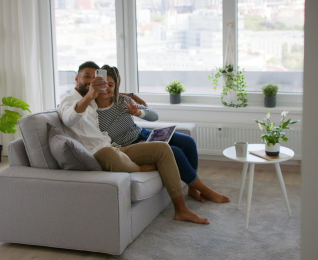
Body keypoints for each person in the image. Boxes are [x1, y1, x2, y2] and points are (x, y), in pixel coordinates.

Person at [57, 61, 210, 224]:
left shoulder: (97, 99)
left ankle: (183, 207)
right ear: (76, 79)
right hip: (111, 148)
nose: (92, 82)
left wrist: (135, 104)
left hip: (121, 144)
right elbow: (69, 119)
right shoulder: (71, 100)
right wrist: (91, 95)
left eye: (96, 79)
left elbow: (114, 95)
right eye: (87, 77)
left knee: (174, 145)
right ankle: (183, 186)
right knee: (175, 152)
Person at [95, 64, 230, 204]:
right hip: (131, 146)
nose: (106, 89)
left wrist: (137, 112)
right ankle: (205, 190)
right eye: (102, 84)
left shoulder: (123, 101)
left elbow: (154, 116)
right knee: (175, 152)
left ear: (116, 86)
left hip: (144, 134)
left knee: (187, 141)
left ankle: (192, 187)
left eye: (110, 85)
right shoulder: (91, 110)